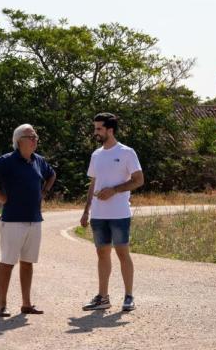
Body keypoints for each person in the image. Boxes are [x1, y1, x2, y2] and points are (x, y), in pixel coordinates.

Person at [0, 124, 56, 317]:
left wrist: (44, 191)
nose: (35, 139)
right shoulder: (7, 161)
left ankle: (26, 304)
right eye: (31, 136)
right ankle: (2, 305)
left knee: (28, 263)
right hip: (12, 221)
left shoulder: (39, 161)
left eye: (36, 136)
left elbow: (52, 175)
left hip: (34, 220)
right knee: (8, 262)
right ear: (19, 140)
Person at [80, 112, 144, 312]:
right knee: (102, 254)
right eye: (95, 128)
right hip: (98, 215)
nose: (95, 132)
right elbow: (93, 183)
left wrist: (114, 190)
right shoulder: (96, 154)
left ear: (110, 130)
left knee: (123, 254)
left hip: (119, 214)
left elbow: (139, 180)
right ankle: (103, 297)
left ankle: (129, 297)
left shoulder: (126, 152)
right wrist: (86, 211)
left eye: (99, 128)